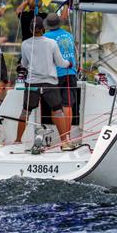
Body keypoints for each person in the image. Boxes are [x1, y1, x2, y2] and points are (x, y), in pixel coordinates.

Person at [15, 16, 75, 150]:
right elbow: (60, 63)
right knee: (58, 111)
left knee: (25, 111)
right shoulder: (51, 43)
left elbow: (24, 64)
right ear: (43, 29)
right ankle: (64, 142)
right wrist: (69, 64)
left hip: (32, 83)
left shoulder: (25, 44)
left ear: (31, 30)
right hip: (49, 83)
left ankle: (17, 140)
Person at [44, 13, 77, 143]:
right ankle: (67, 137)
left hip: (56, 74)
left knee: (56, 106)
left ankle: (61, 138)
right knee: (68, 105)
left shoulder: (46, 37)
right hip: (71, 72)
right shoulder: (69, 35)